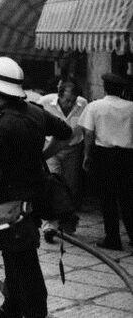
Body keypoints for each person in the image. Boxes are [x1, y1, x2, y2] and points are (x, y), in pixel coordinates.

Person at [0, 57, 71, 318]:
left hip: (12, 204)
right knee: (13, 256)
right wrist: (44, 153)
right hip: (34, 197)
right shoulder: (36, 112)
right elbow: (66, 132)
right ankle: (12, 308)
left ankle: (33, 312)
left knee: (24, 262)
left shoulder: (0, 125)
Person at [79, 73, 133, 251]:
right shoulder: (131, 108)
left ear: (105, 88)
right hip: (127, 156)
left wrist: (87, 155)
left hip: (104, 155)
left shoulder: (95, 107)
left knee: (107, 198)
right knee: (127, 198)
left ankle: (113, 238)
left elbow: (88, 134)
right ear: (122, 90)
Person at [38, 80, 87, 243]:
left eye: (73, 100)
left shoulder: (83, 104)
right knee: (51, 183)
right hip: (51, 148)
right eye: (67, 100)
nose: (70, 104)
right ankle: (49, 226)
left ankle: (67, 220)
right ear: (59, 95)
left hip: (73, 149)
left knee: (70, 185)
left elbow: (85, 128)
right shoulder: (45, 102)